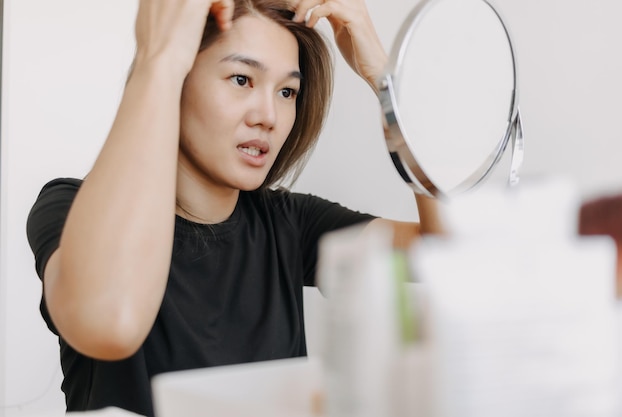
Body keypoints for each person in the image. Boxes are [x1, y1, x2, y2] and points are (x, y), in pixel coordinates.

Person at [26, 0, 441, 415]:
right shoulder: (70, 207)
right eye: (241, 79)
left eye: (286, 92)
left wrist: (389, 86)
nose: (269, 116)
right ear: (180, 74)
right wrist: (158, 61)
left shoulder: (290, 225)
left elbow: (448, 254)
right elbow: (109, 321)